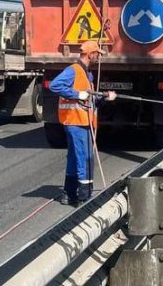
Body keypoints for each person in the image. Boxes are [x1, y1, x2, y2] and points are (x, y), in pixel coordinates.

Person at [49, 40, 116, 206]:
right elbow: (55, 86)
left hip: (82, 121)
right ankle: (84, 198)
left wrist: (104, 97)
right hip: (76, 121)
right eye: (97, 55)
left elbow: (90, 99)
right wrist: (77, 95)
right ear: (90, 54)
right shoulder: (74, 70)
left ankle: (68, 194)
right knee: (85, 159)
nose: (98, 58)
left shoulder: (87, 74)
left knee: (74, 158)